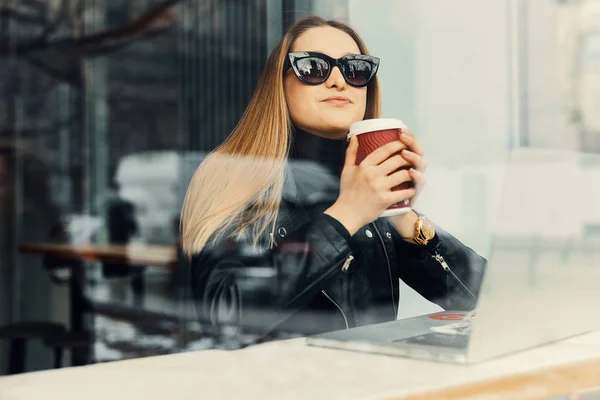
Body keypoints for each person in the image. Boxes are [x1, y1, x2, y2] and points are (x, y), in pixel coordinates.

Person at [181, 16, 487, 343]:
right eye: (314, 67)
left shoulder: (366, 187)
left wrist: (402, 216)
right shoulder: (234, 174)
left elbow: (485, 299)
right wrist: (347, 214)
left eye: (355, 69)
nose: (339, 81)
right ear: (278, 84)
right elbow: (225, 318)